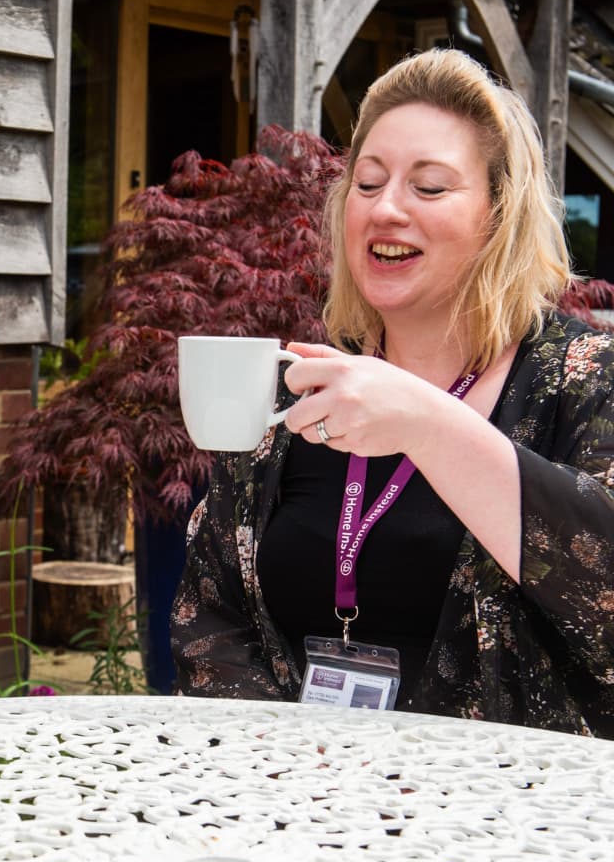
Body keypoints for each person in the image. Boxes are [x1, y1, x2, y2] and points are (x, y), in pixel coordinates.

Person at [171, 47, 614, 736]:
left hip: (516, 819)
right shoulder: (300, 385)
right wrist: (281, 762)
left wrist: (427, 424)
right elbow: (211, 612)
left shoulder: (584, 376)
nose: (387, 209)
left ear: (499, 214)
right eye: (368, 183)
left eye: (429, 188)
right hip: (304, 807)